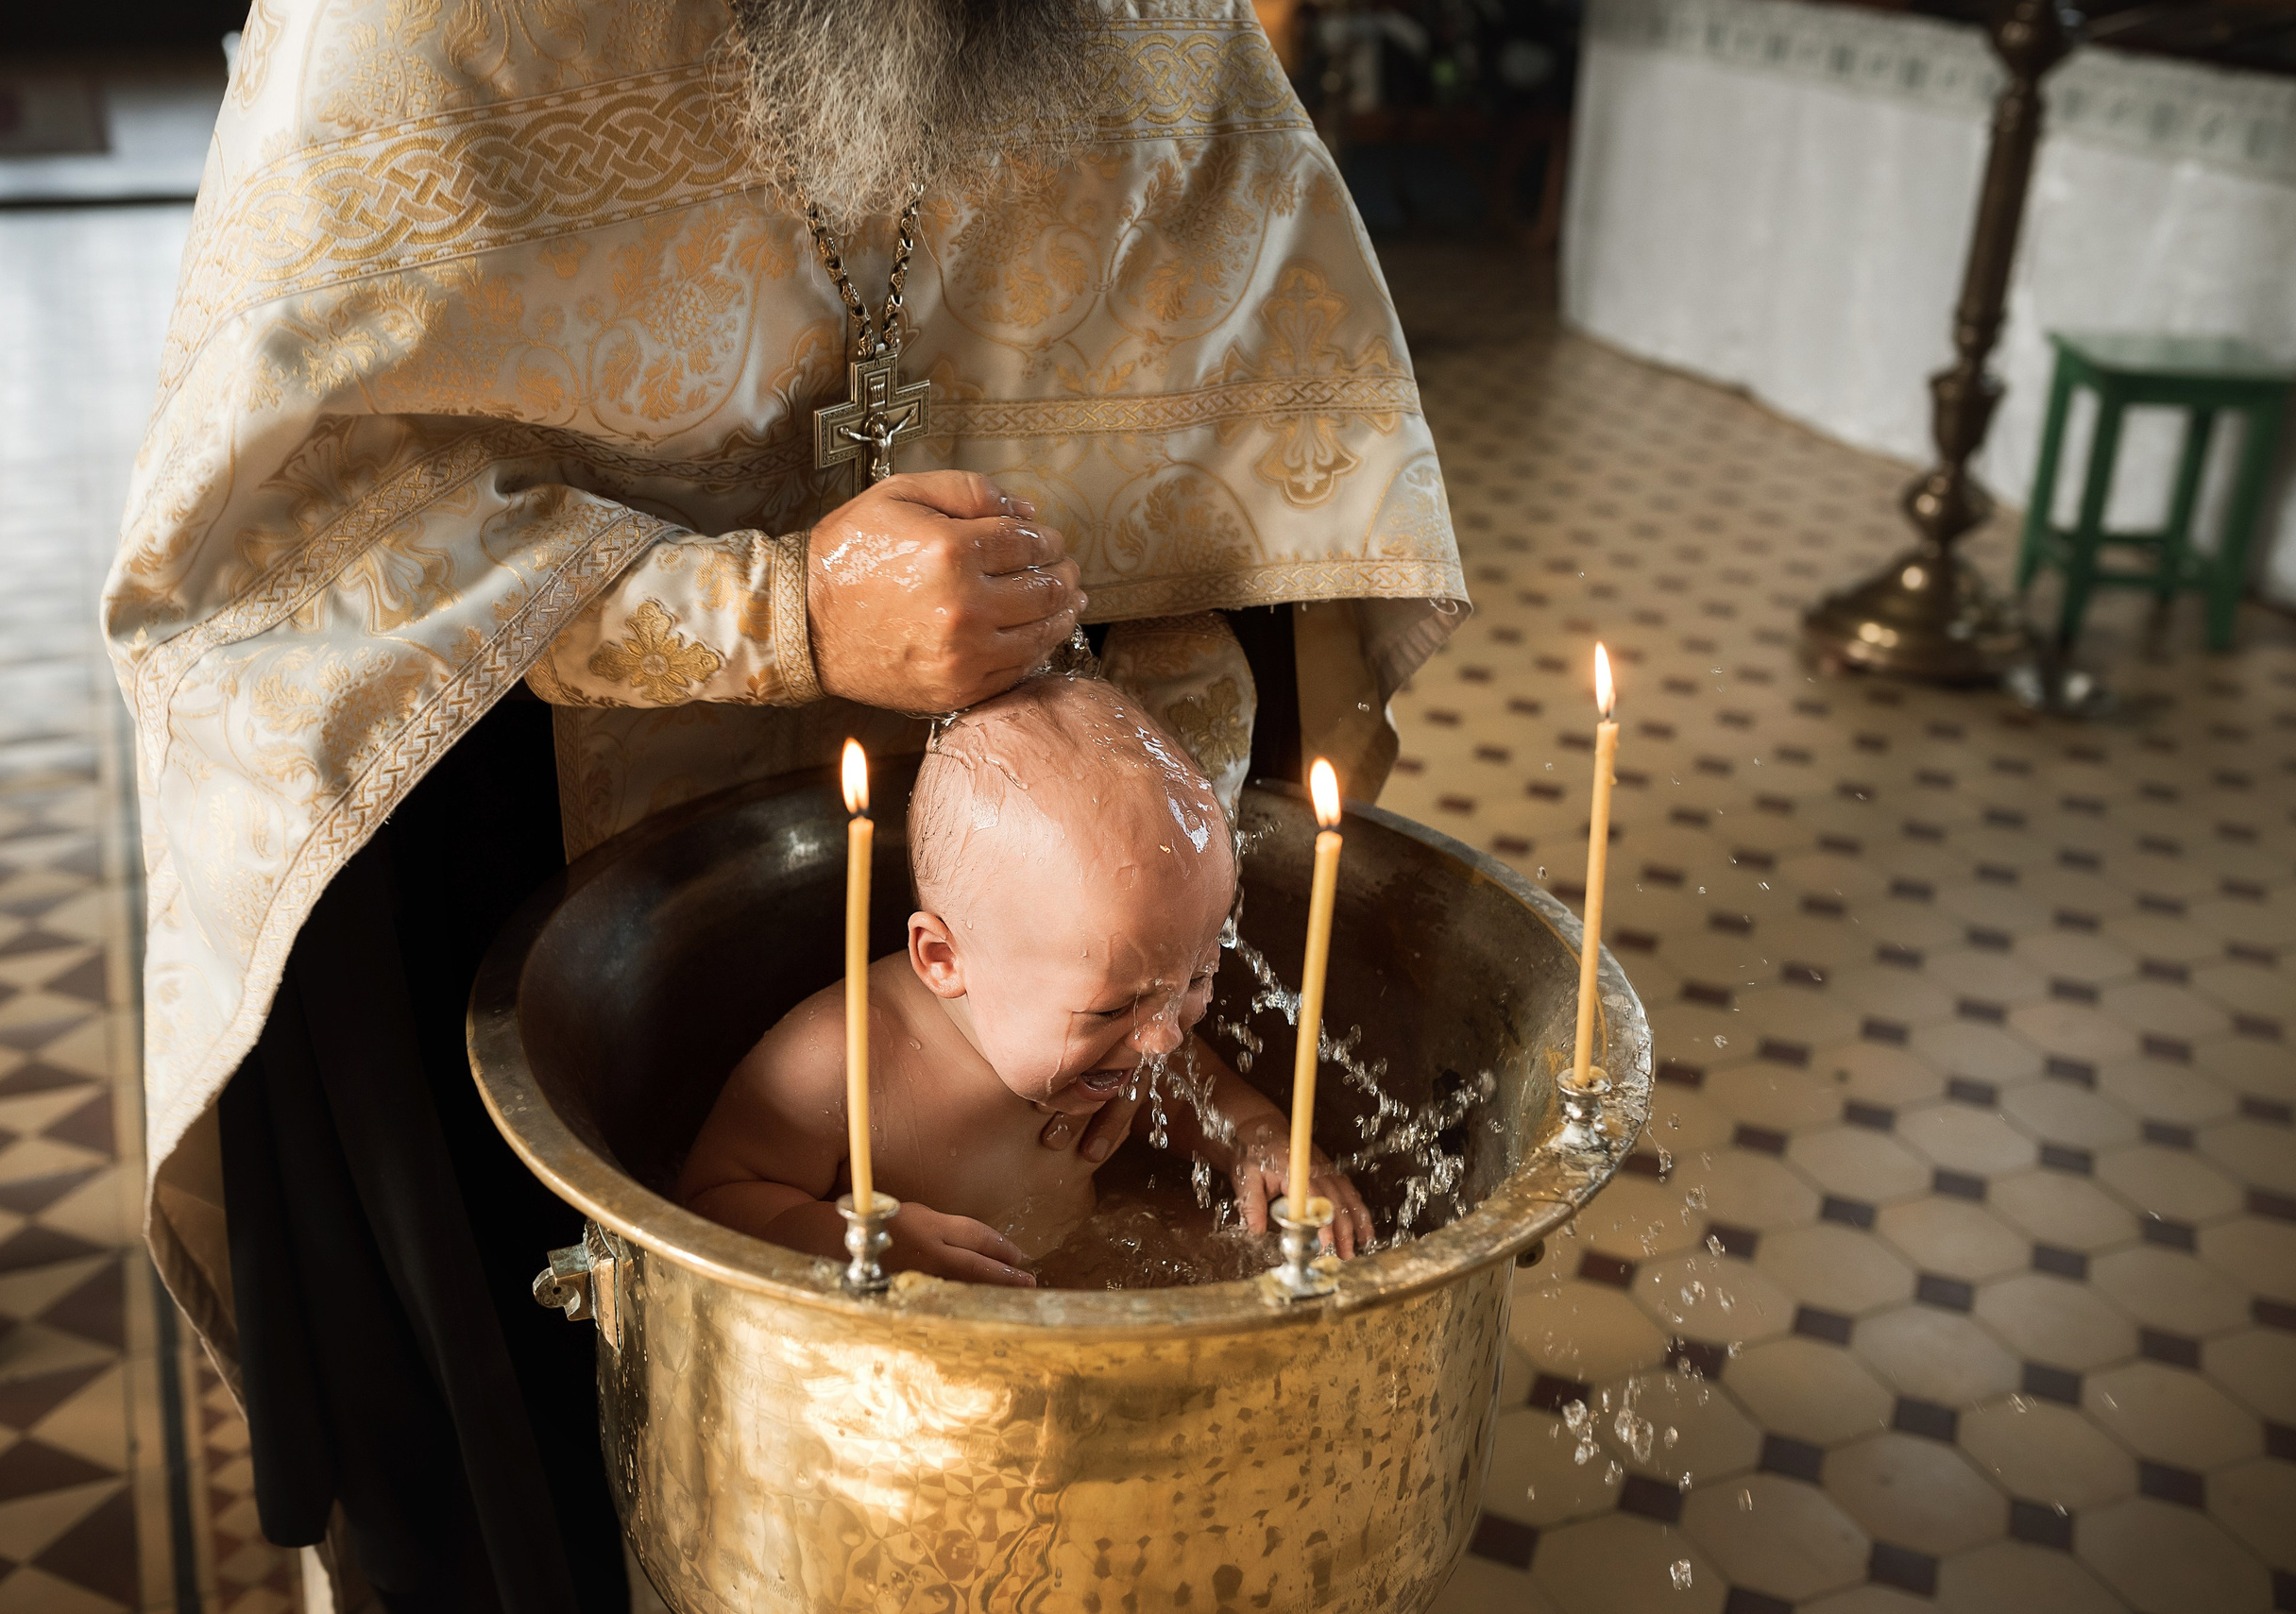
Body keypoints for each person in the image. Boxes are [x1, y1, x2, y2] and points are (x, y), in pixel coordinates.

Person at [107, 0, 1467, 1607]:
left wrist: (1121, 799)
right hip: (510, 854)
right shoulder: (419, 30)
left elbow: (1270, 459)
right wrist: (775, 611)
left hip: (1033, 866)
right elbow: (281, 554)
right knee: (575, 1496)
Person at [677, 677, 1372, 1283]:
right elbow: (711, 1203)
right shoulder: (840, 1064)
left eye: (1197, 976)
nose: (1162, 1038)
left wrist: (1263, 1135)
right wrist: (856, 1244)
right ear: (944, 960)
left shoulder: (1127, 1034)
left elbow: (1200, 1093)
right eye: (1113, 1008)